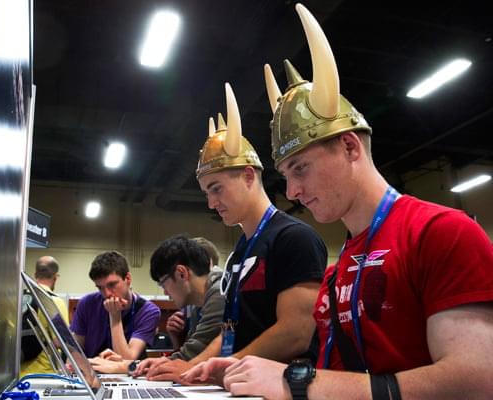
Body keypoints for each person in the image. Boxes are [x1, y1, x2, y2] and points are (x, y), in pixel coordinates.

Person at [212, 4, 493, 399]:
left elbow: (476, 381)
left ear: (349, 147)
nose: (291, 191)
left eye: (300, 168)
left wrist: (299, 383)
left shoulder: (443, 233)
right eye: (286, 175)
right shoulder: (338, 269)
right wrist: (248, 370)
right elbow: (344, 380)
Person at [176, 83, 327, 384]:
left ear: (248, 176)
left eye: (216, 189)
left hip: (283, 388)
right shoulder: (239, 253)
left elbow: (296, 332)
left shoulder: (294, 238)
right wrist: (192, 367)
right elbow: (230, 330)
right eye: (207, 193)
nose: (211, 203)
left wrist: (225, 367)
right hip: (241, 384)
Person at [125, 235, 225, 380]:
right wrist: (164, 361)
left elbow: (195, 351)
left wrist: (135, 367)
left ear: (181, 273)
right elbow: (189, 353)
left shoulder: (220, 292)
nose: (165, 293)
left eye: (163, 284)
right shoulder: (198, 304)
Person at [70, 251, 161, 360]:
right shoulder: (86, 304)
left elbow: (127, 360)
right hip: (92, 368)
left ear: (128, 279)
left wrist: (115, 316)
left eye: (112, 285)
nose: (106, 294)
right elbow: (75, 349)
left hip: (126, 371)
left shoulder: (149, 312)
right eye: (100, 288)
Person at [20, 256, 68, 376]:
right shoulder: (54, 301)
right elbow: (60, 341)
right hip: (44, 374)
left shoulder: (19, 299)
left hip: (18, 375)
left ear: (35, 274)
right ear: (55, 277)